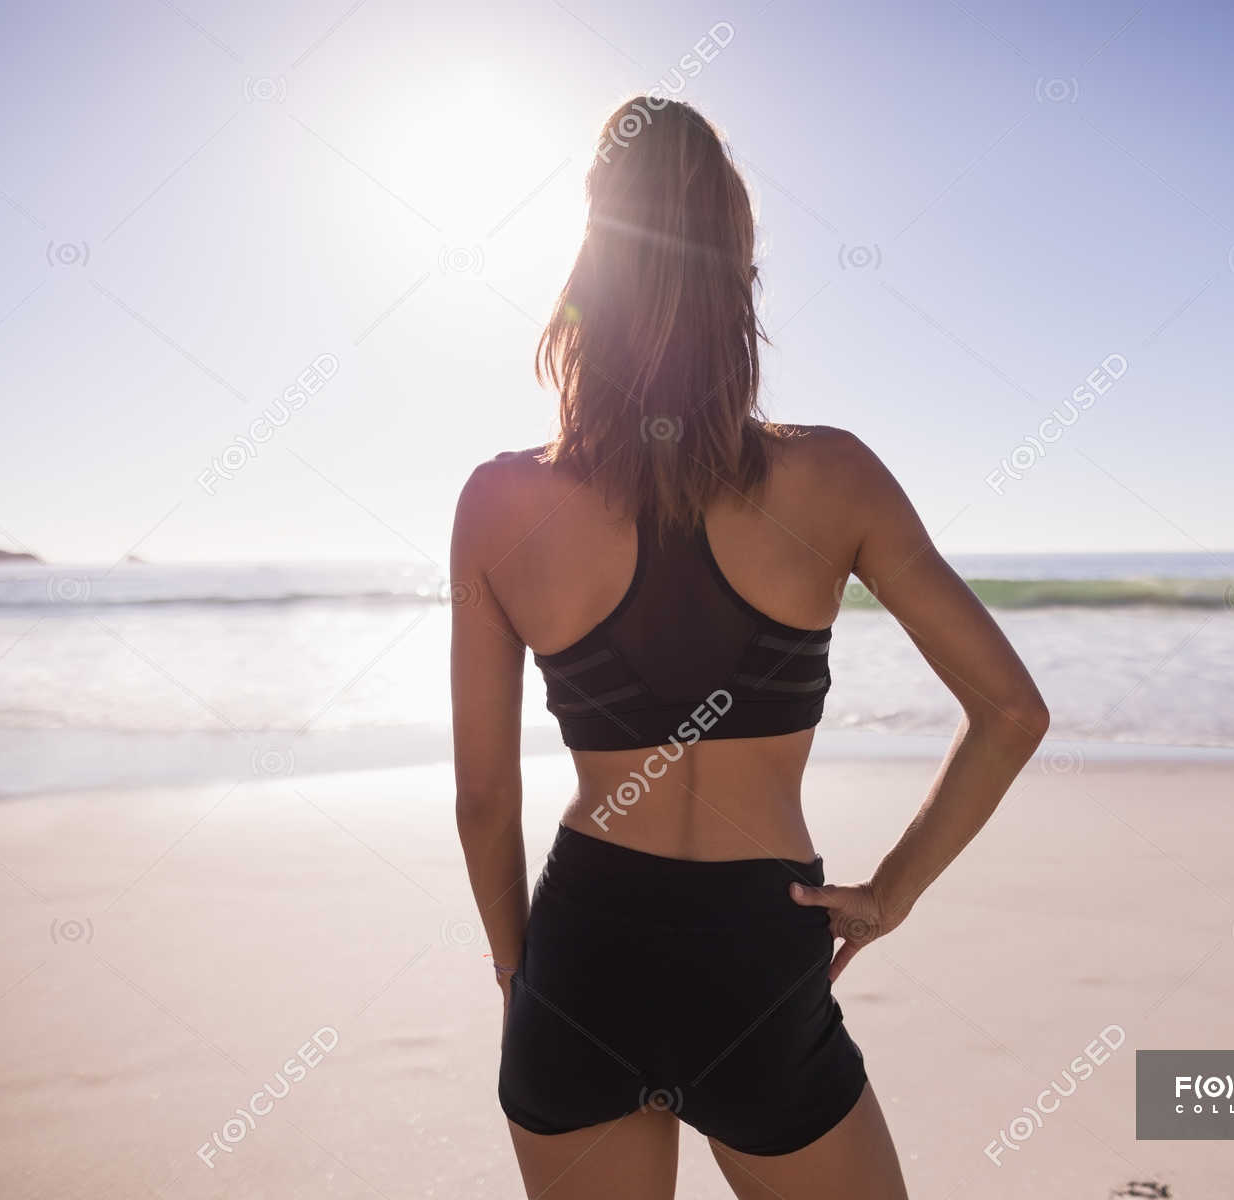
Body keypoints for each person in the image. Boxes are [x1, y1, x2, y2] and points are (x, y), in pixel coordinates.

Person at [449, 95, 1048, 1199]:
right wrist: (891, 893)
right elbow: (1013, 714)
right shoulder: (834, 478)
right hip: (756, 954)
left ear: (591, 259)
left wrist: (518, 976)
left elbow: (485, 800)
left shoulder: (499, 503)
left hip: (583, 948)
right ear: (738, 269)